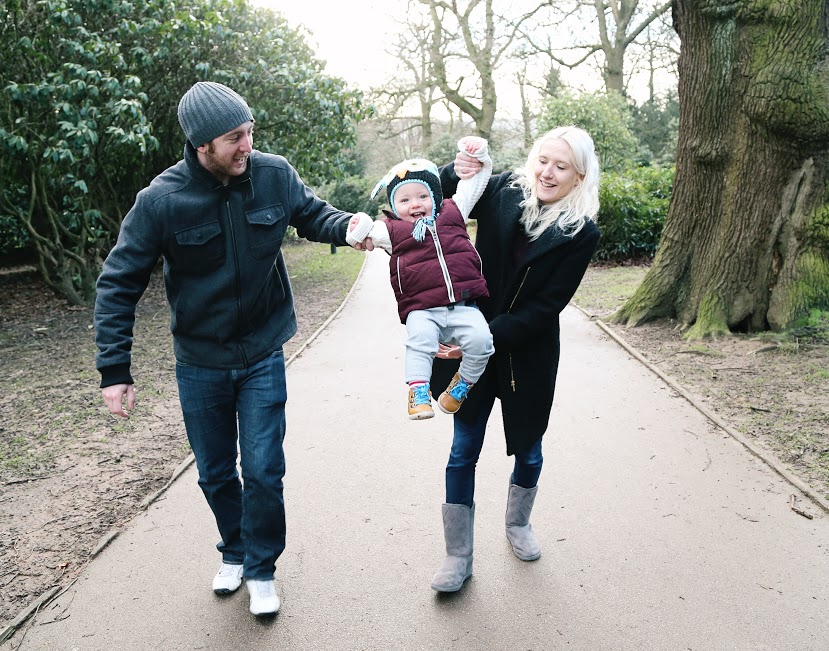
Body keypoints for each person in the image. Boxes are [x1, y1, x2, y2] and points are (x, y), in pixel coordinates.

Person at [94, 81, 370, 617]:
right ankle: (236, 549)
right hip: (200, 360)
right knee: (216, 470)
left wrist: (351, 227)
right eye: (234, 138)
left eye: (249, 132)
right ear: (202, 145)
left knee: (264, 468)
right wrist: (114, 370)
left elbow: (314, 215)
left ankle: (263, 568)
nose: (248, 145)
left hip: (262, 349)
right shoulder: (161, 201)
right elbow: (118, 282)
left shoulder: (272, 173)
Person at [428, 125, 601, 592]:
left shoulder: (582, 231)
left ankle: (518, 524)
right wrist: (457, 168)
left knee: (529, 447)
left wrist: (483, 338)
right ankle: (457, 555)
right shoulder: (502, 189)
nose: (547, 172)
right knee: (463, 448)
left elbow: (546, 307)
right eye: (543, 160)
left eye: (560, 166)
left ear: (579, 176)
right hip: (468, 345)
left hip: (526, 353)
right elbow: (438, 197)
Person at [349, 137, 494, 420]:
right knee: (420, 340)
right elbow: (359, 234)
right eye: (404, 200)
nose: (414, 204)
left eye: (422, 196)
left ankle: (462, 384)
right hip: (423, 310)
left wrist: (481, 157)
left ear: (435, 197)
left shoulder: (454, 211)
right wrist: (358, 226)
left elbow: (475, 183)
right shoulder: (390, 230)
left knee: (483, 341)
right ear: (393, 204)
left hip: (463, 305)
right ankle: (418, 390)